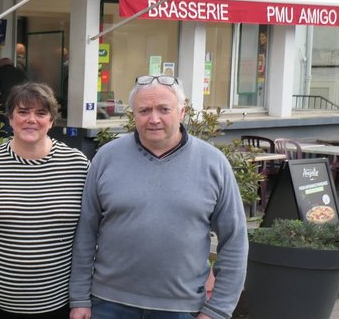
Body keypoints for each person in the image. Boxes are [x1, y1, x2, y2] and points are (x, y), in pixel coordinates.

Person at [69, 75, 247, 319]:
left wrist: (218, 309)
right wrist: (79, 298)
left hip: (181, 308)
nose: (154, 119)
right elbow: (85, 231)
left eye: (164, 109)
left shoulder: (213, 163)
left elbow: (235, 240)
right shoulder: (106, 158)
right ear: (133, 115)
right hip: (108, 304)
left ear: (182, 111)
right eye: (144, 110)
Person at [0, 82, 90, 318]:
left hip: (53, 300)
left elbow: (87, 228)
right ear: (11, 119)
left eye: (40, 113)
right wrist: (10, 237)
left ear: (51, 120)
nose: (31, 119)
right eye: (23, 112)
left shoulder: (78, 165)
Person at [0, 57, 29, 132]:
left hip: (5, 106)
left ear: (0, 65)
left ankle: (7, 142)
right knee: (19, 128)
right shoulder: (21, 73)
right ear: (11, 64)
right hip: (21, 105)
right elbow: (29, 88)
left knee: (5, 130)